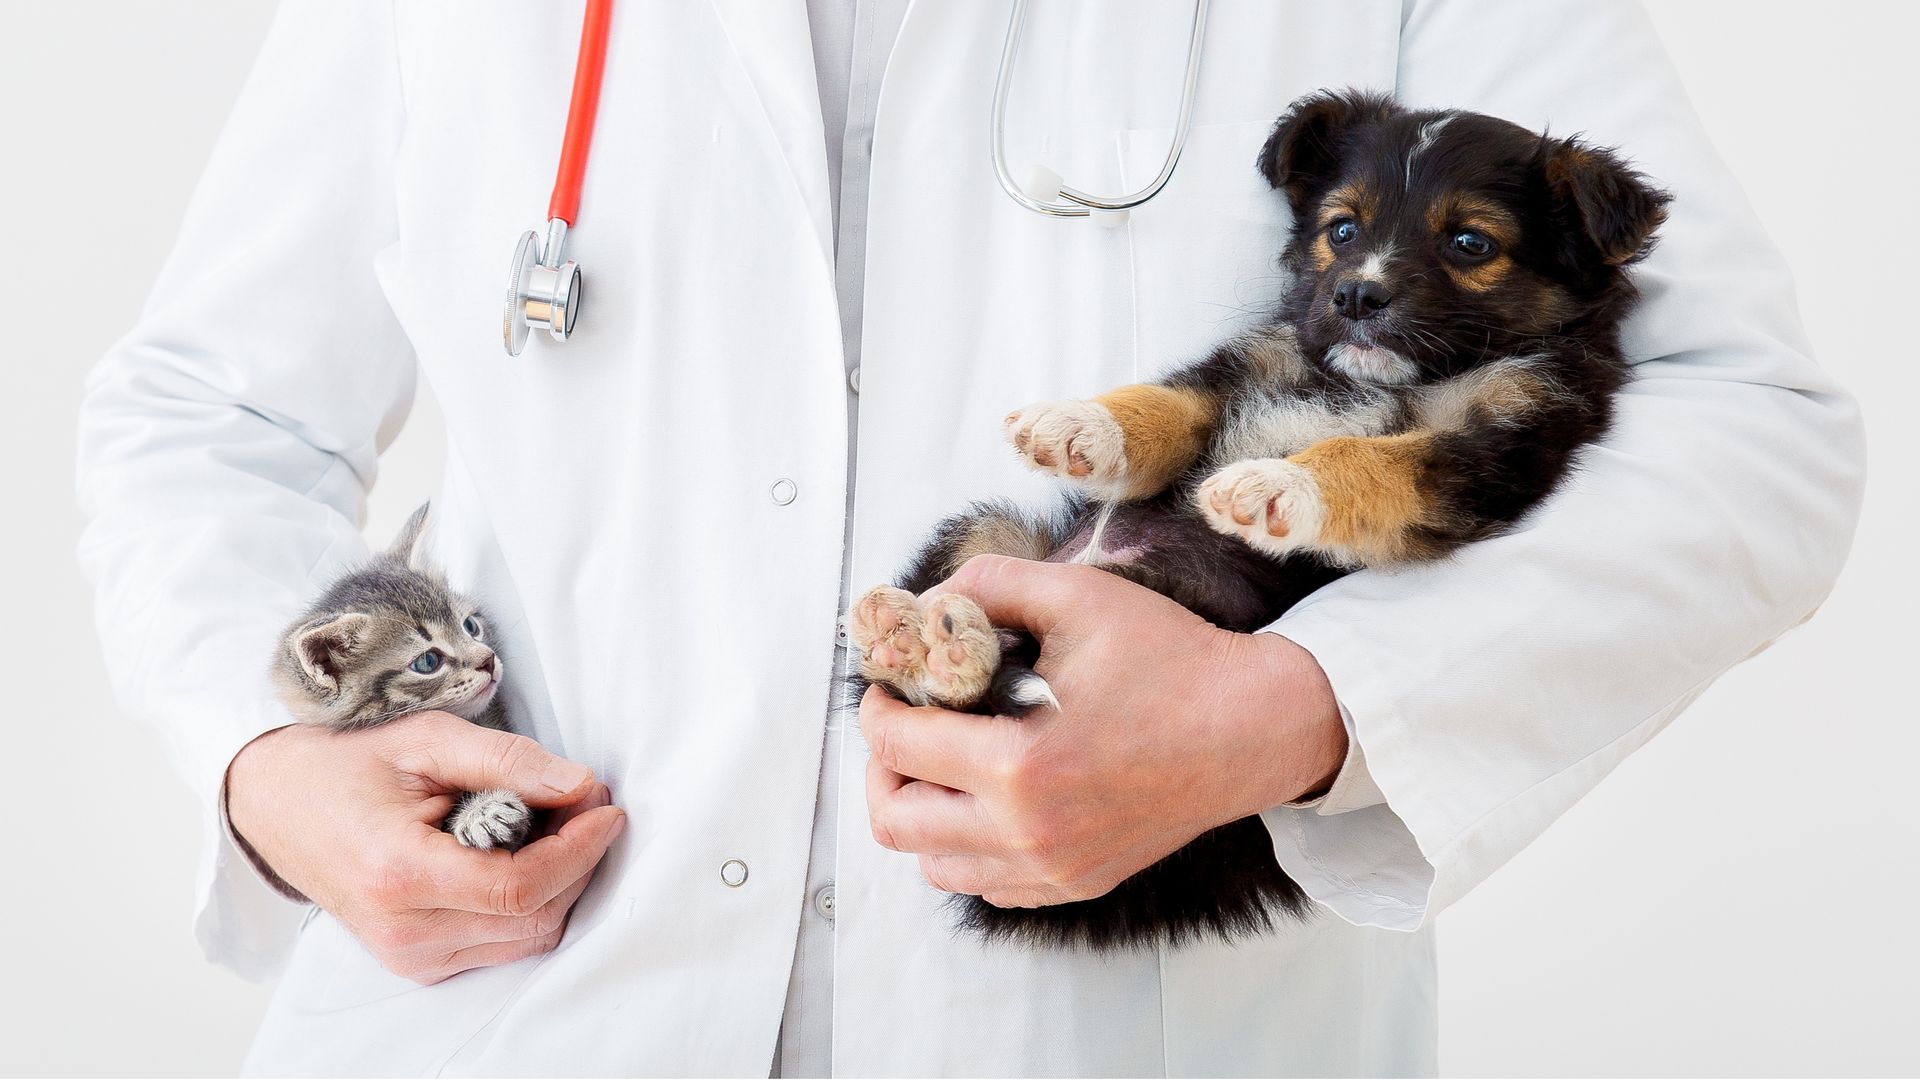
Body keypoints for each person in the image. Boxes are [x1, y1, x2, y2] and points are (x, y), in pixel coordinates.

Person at [75, 1, 1863, 1075]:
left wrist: (1294, 710)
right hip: (515, 1016)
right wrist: (267, 771)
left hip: (1122, 1025)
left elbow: (1744, 432)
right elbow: (213, 407)